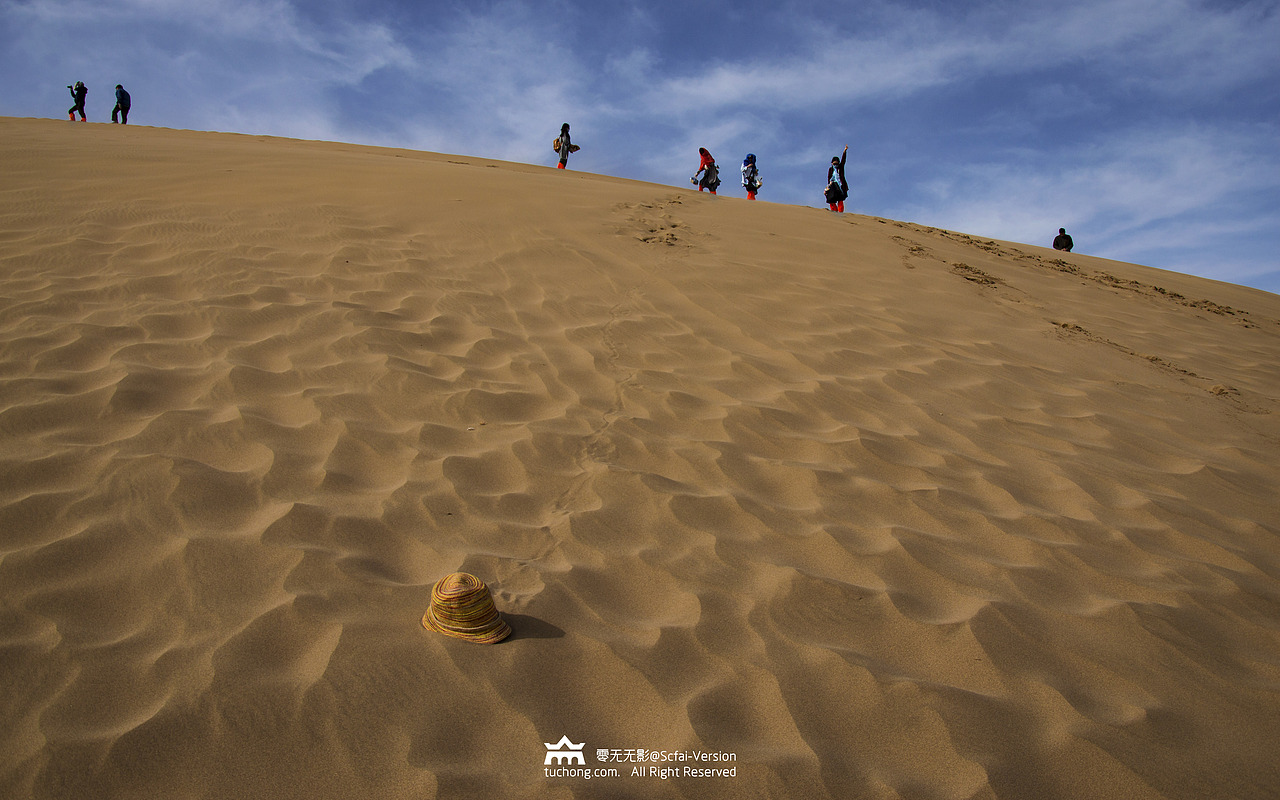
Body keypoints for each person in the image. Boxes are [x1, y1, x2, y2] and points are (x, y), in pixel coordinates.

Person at [825, 145, 848, 212]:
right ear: (832, 163)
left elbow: (843, 161)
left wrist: (844, 151)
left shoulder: (840, 168)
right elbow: (829, 178)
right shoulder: (830, 169)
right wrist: (828, 187)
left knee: (840, 199)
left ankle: (840, 212)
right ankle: (834, 211)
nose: (835, 164)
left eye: (836, 162)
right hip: (832, 185)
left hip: (840, 185)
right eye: (834, 163)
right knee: (831, 198)